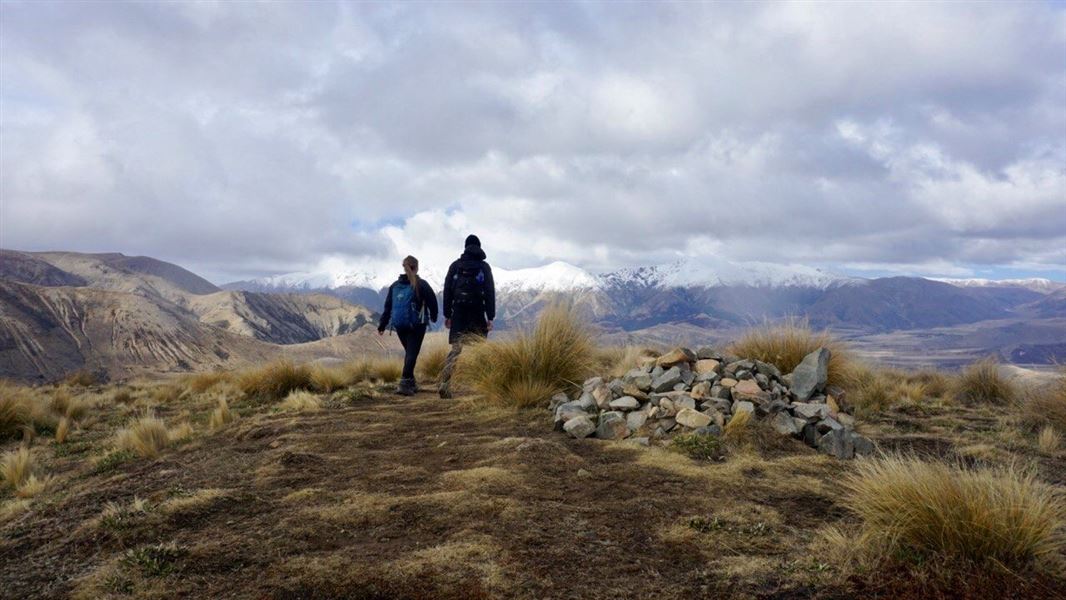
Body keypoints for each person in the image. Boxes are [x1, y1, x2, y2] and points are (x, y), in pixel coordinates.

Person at [438, 234, 495, 398]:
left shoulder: (455, 266)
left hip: (459, 311)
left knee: (456, 349)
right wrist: (490, 316)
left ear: (465, 247)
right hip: (477, 311)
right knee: (480, 349)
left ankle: (445, 383)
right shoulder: (484, 267)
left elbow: (447, 291)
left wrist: (447, 314)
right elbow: (490, 291)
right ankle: (487, 387)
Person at [378, 255, 438, 396]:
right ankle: (404, 383)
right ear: (416, 267)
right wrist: (434, 317)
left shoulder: (394, 286)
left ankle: (411, 382)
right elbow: (432, 302)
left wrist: (382, 325)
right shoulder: (421, 284)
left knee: (409, 353)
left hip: (399, 325)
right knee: (412, 354)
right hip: (417, 325)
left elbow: (388, 307)